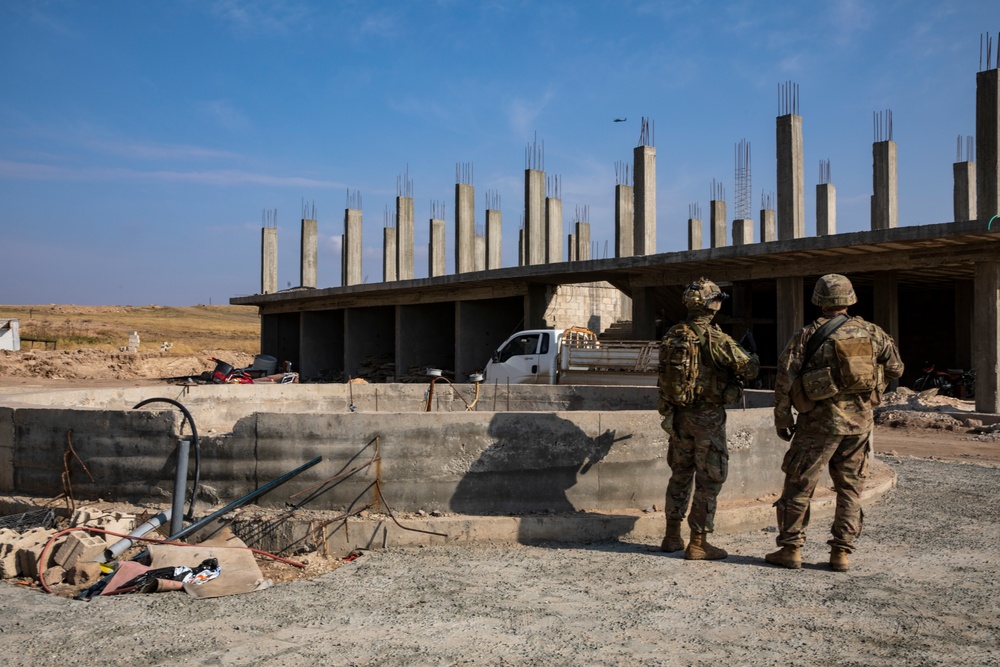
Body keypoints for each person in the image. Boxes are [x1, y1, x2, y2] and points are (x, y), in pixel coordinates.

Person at [766, 274, 903, 571]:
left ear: (818, 300)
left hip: (817, 425)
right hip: (859, 426)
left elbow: (784, 378)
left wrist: (781, 417)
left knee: (799, 485)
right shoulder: (873, 333)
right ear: (850, 299)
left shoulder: (806, 335)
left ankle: (791, 549)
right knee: (850, 489)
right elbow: (896, 368)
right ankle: (841, 553)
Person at [658, 278, 760, 560]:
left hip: (678, 417)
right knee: (709, 480)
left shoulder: (673, 335)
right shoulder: (716, 338)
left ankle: (671, 535)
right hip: (707, 419)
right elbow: (749, 368)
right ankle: (699, 542)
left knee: (679, 475)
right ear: (712, 305)